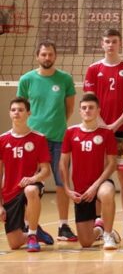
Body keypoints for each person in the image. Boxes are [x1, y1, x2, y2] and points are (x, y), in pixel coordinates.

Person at [84, 29, 123, 240]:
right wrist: (103, 125)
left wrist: (115, 125)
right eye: (107, 41)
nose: (110, 45)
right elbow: (89, 102)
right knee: (97, 175)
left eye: (114, 41)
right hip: (97, 131)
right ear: (102, 44)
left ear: (120, 43)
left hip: (122, 132)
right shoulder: (93, 69)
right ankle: (99, 223)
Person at [17, 40, 77, 242]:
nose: (47, 58)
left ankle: (63, 225)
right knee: (31, 185)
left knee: (62, 182)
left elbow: (69, 109)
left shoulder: (65, 79)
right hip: (34, 141)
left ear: (55, 56)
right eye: (43, 54)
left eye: (50, 54)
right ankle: (29, 225)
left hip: (59, 138)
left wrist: (56, 124)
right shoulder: (26, 79)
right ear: (37, 56)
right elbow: (21, 108)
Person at [59, 93, 120, 249]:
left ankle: (108, 235)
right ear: (80, 111)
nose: (87, 110)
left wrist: (95, 186)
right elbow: (63, 162)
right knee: (86, 242)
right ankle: (100, 228)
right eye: (84, 108)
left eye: (91, 107)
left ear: (98, 110)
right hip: (81, 190)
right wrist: (67, 189)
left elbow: (112, 164)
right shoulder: (70, 132)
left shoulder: (106, 133)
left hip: (100, 183)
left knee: (107, 193)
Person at [0, 97, 52, 252]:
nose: (17, 113)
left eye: (21, 110)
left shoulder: (39, 138)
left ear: (29, 113)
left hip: (31, 185)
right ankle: (36, 233)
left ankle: (32, 234)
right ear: (9, 113)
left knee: (30, 190)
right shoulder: (2, 140)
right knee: (14, 244)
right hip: (10, 192)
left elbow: (46, 170)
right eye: (13, 110)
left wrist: (33, 179)